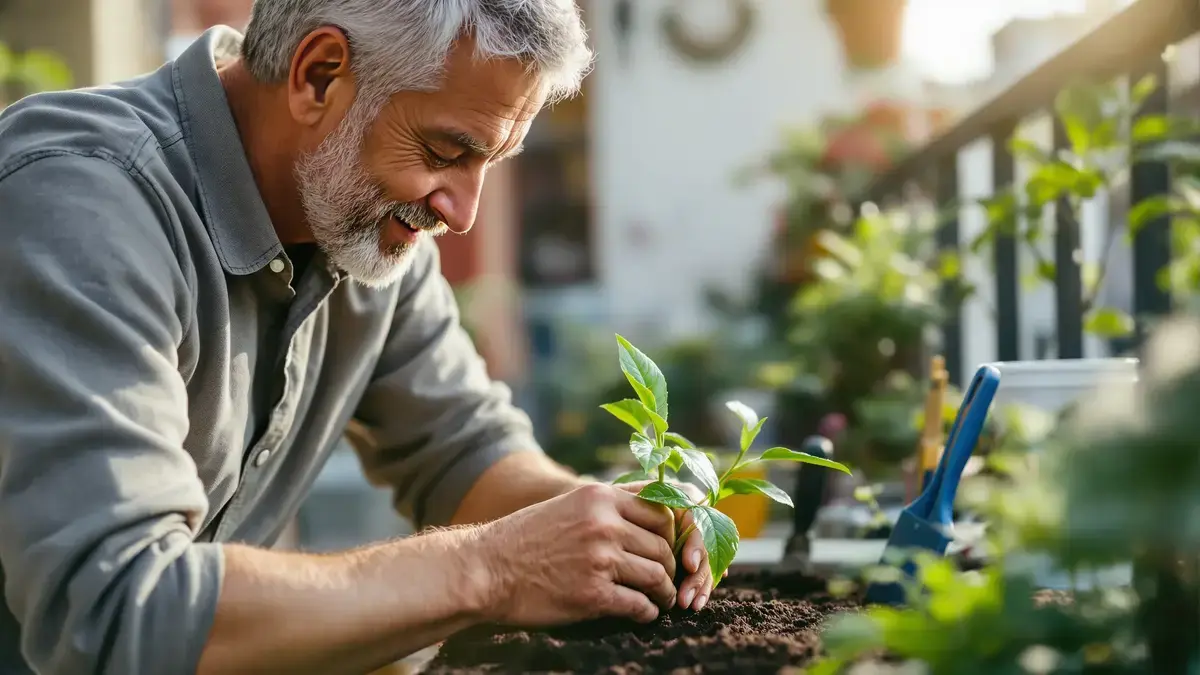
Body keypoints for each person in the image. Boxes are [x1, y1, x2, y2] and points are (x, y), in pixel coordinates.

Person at [0, 2, 720, 674]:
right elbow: (115, 610)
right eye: (446, 150)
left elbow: (466, 454)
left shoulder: (359, 221)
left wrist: (611, 529)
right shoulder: (81, 201)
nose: (463, 213)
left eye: (490, 163)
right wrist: (494, 567)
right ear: (318, 76)